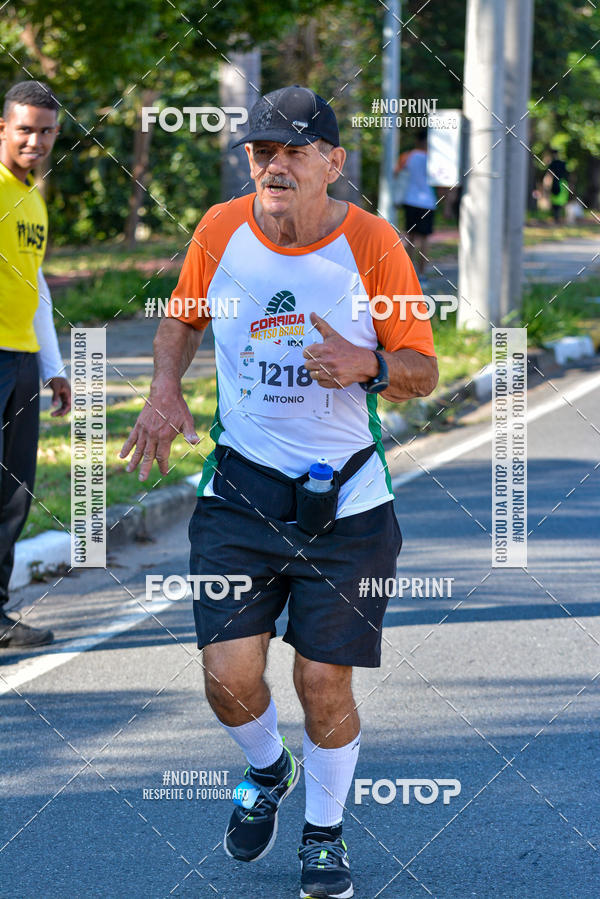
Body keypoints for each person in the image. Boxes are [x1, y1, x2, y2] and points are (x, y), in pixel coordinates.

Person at [121, 85, 438, 899]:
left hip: (349, 503)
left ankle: (324, 836)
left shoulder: (373, 246)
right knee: (228, 676)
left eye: (296, 151)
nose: (276, 165)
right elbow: (181, 318)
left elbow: (421, 369)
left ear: (334, 162)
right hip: (240, 491)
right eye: (264, 151)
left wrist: (368, 364)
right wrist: (165, 389)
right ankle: (268, 767)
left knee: (323, 682)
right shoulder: (220, 229)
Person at [0, 80, 71, 649]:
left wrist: (54, 365)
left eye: (46, 131)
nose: (36, 141)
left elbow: (37, 286)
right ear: (4, 128)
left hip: (21, 358)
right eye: (25, 129)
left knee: (14, 492)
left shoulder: (34, 200)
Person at [394, 129, 437, 289]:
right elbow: (440, 181)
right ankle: (422, 275)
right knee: (425, 240)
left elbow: (396, 174)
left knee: (410, 238)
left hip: (410, 200)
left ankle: (407, 273)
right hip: (428, 202)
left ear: (417, 141)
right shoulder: (434, 159)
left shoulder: (407, 157)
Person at [545, 149, 569, 224]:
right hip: (563, 183)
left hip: (556, 183)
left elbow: (549, 175)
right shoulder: (563, 163)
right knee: (560, 202)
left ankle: (557, 217)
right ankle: (559, 217)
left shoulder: (552, 163)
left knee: (556, 201)